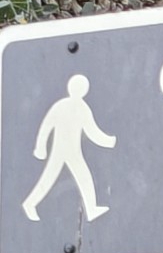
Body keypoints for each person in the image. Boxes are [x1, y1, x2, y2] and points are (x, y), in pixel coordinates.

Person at [22, 71, 115, 223]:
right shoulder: (69, 106)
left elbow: (91, 131)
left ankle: (91, 209)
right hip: (63, 150)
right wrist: (40, 147)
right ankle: (30, 204)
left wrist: (108, 141)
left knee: (81, 177)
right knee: (51, 178)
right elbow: (47, 126)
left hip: (71, 151)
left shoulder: (76, 107)